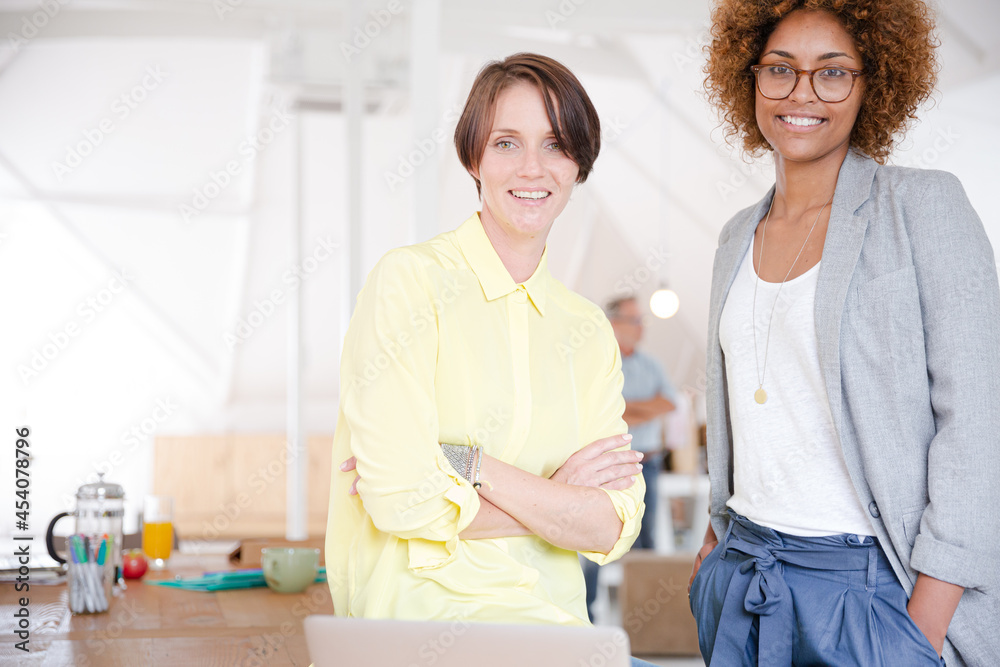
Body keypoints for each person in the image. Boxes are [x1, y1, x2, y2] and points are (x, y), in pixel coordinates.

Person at [690, 1, 1000, 665]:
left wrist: (922, 628)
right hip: (744, 573)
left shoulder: (922, 205)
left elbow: (977, 422)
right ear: (749, 81)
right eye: (780, 70)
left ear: (874, 84)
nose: (802, 93)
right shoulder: (733, 237)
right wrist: (714, 548)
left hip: (873, 593)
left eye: (832, 73)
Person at [327, 54, 653, 665]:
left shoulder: (587, 330)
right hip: (418, 635)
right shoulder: (410, 282)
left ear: (578, 164)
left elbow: (615, 524)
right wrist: (558, 502)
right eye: (507, 142)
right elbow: (399, 499)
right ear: (473, 157)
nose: (533, 168)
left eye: (555, 145)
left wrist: (466, 463)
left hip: (559, 637)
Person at [583, 296, 677, 620]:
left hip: (647, 465)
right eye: (634, 320)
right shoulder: (595, 360)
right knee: (593, 539)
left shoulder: (652, 364)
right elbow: (599, 410)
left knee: (645, 539)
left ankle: (644, 620)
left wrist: (626, 407)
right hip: (605, 466)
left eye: (642, 321)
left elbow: (668, 404)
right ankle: (588, 616)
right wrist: (641, 407)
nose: (641, 328)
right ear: (613, 322)